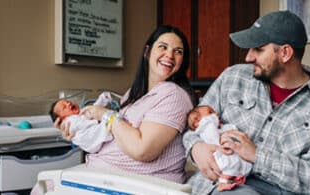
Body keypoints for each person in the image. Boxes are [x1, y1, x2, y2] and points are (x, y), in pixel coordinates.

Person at [183, 10, 310, 195]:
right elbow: (193, 125)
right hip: (214, 186)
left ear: (285, 53)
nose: (248, 57)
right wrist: (195, 148)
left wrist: (257, 156)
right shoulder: (233, 77)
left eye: (258, 49)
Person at [31, 25, 197, 195]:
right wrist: (79, 134)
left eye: (178, 51)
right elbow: (110, 139)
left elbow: (142, 150)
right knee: (41, 188)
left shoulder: (174, 96)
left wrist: (104, 114)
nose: (170, 55)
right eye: (163, 46)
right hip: (106, 175)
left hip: (141, 182)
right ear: (147, 52)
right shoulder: (132, 95)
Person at [187, 105, 252, 191]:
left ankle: (234, 178)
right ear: (197, 122)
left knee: (235, 164)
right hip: (218, 156)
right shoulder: (207, 127)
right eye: (210, 112)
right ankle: (223, 183)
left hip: (224, 154)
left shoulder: (215, 127)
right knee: (231, 164)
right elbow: (214, 138)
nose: (216, 114)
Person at [49, 92, 114, 153]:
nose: (68, 104)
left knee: (95, 114)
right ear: (61, 118)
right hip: (91, 141)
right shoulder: (69, 121)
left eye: (68, 102)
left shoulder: (79, 115)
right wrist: (97, 120)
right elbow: (88, 118)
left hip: (93, 142)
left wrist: (101, 100)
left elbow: (93, 110)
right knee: (107, 123)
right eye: (64, 107)